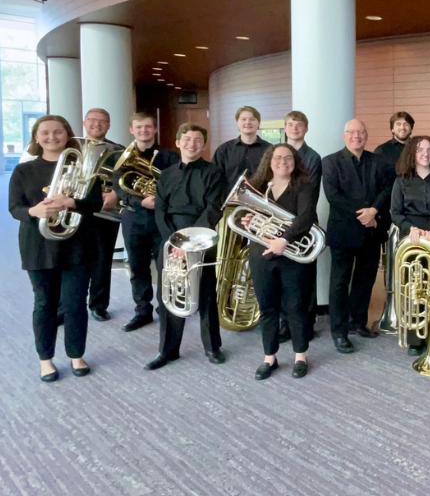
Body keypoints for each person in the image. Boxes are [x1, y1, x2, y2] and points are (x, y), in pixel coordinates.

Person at [9, 115, 103, 381]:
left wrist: (72, 202)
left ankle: (76, 355)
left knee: (76, 304)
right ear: (36, 138)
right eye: (45, 133)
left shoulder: (84, 169)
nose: (52, 137)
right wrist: (34, 211)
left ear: (67, 134)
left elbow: (95, 203)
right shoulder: (23, 170)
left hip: (77, 244)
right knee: (44, 304)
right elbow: (14, 208)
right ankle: (46, 360)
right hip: (38, 245)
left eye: (58, 132)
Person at [146, 124, 228, 371]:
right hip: (170, 239)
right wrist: (174, 242)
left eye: (198, 140)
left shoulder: (214, 173)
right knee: (168, 294)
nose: (192, 144)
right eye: (188, 139)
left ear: (203, 144)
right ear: (178, 142)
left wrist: (190, 243)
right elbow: (160, 210)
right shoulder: (166, 174)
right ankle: (168, 350)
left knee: (205, 293)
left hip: (202, 237)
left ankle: (212, 347)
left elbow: (213, 209)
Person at [242, 144, 318, 380]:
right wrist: (248, 221)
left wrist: (284, 240)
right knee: (267, 307)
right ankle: (269, 357)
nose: (282, 162)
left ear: (295, 161)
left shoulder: (304, 185)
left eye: (288, 158)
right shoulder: (257, 186)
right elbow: (250, 216)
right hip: (262, 253)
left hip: (293, 254)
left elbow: (305, 218)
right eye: (277, 157)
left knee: (296, 306)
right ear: (269, 160)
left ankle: (300, 356)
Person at [322, 119, 395, 355]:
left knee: (365, 280)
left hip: (372, 231)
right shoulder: (330, 161)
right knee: (339, 283)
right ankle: (339, 331)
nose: (356, 136)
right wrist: (364, 215)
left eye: (361, 132)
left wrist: (374, 211)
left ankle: (358, 322)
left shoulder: (379, 161)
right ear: (344, 136)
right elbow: (333, 196)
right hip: (343, 231)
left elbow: (387, 189)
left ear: (366, 135)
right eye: (352, 132)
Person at [113, 112, 181, 332]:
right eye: (139, 127)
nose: (144, 131)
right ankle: (142, 310)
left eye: (148, 127)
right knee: (137, 265)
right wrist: (141, 201)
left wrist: (159, 199)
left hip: (162, 219)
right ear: (131, 130)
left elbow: (177, 185)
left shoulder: (169, 156)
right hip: (134, 217)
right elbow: (119, 187)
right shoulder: (122, 158)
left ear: (155, 129)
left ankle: (166, 308)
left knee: (165, 266)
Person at [390, 135, 430, 356]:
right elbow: (395, 213)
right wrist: (411, 229)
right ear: (411, 153)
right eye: (419, 150)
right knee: (414, 287)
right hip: (412, 238)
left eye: (429, 150)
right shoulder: (401, 180)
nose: (425, 154)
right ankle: (415, 338)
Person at [282, 110, 322, 342]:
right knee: (281, 275)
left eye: (299, 125)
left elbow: (309, 191)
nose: (294, 128)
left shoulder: (313, 157)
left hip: (305, 223)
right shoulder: (276, 154)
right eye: (290, 124)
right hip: (277, 224)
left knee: (305, 276)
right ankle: (285, 324)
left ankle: (307, 324)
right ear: (285, 128)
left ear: (306, 129)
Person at [82, 107, 120, 322]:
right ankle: (64, 306)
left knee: (102, 260)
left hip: (105, 213)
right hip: (74, 210)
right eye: (92, 120)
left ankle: (98, 304)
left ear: (109, 125)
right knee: (69, 260)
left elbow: (127, 178)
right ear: (84, 122)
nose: (97, 124)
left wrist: (116, 193)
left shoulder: (118, 151)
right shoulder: (70, 147)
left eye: (103, 121)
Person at [212, 106, 270, 189]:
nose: (248, 122)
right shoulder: (224, 150)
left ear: (259, 123)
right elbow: (215, 178)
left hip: (261, 195)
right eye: (243, 119)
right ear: (237, 123)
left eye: (252, 119)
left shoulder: (269, 149)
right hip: (230, 196)